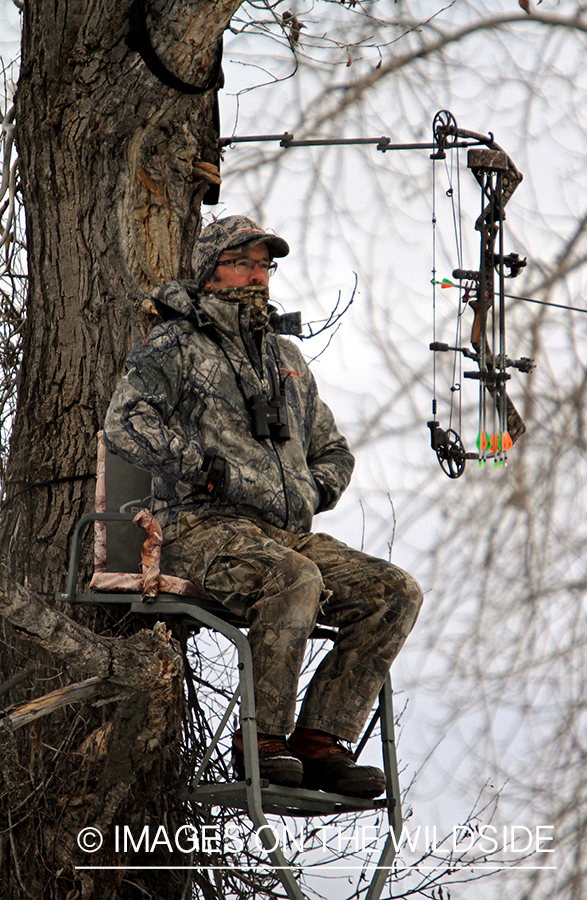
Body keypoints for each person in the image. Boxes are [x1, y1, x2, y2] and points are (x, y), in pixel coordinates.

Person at [104, 215, 423, 798]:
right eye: (242, 263)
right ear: (209, 272)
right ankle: (262, 744)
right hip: (196, 527)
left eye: (265, 265)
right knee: (293, 580)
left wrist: (313, 489)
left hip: (281, 532)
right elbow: (126, 423)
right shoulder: (174, 344)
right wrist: (202, 468)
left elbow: (334, 450)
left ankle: (320, 741)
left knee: (393, 592)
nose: (258, 276)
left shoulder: (287, 360)